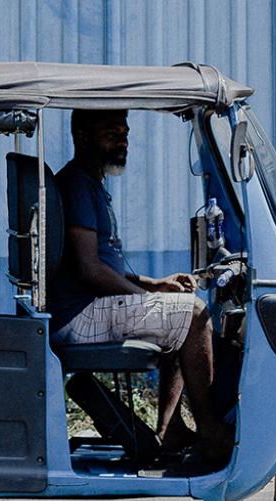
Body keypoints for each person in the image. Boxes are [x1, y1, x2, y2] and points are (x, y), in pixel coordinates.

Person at [49, 108, 232, 462]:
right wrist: (143, 297)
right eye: (111, 131)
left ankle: (170, 429)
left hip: (89, 307)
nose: (123, 139)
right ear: (82, 136)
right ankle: (212, 433)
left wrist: (155, 285)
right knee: (193, 314)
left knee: (178, 308)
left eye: (125, 131)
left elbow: (100, 266)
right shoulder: (76, 183)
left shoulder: (91, 184)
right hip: (78, 315)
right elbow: (89, 269)